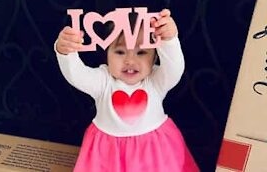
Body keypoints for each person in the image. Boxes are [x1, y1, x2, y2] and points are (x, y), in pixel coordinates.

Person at [54, 9, 199, 172]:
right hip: (108, 155)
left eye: (141, 52)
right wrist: (66, 52)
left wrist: (169, 40)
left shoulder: (155, 81)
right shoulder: (103, 80)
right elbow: (77, 75)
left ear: (155, 57)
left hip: (155, 154)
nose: (130, 60)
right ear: (107, 54)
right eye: (120, 52)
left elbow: (175, 68)